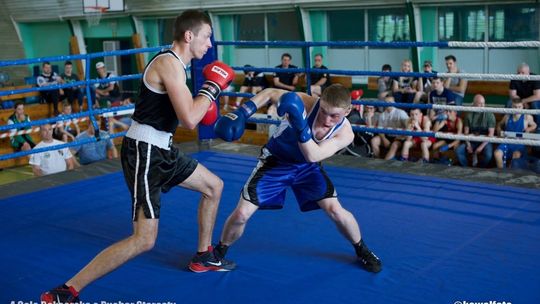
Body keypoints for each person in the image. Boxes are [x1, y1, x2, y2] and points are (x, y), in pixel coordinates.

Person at [41, 10, 236, 303]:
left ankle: (203, 255)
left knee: (214, 186)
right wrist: (213, 87)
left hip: (162, 148)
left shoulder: (177, 66)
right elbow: (191, 119)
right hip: (144, 151)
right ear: (189, 35)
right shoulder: (168, 65)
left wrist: (208, 92)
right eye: (207, 36)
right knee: (144, 239)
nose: (210, 44)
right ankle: (66, 291)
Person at [214, 84, 382, 273]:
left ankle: (362, 249)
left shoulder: (345, 133)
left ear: (348, 111)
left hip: (307, 167)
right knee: (241, 214)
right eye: (324, 111)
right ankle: (218, 252)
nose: (327, 119)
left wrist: (301, 125)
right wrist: (244, 112)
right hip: (276, 162)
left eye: (334, 115)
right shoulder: (305, 102)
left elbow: (313, 156)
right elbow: (270, 92)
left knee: (335, 209)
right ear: (320, 101)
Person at [494, 98, 537, 168]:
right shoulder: (507, 116)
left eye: (519, 107)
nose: (517, 109)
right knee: (497, 153)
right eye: (515, 107)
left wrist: (529, 128)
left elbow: (535, 125)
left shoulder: (526, 117)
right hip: (507, 142)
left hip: (519, 143)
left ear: (522, 107)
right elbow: (499, 124)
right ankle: (501, 173)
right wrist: (499, 129)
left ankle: (511, 174)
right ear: (512, 106)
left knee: (516, 156)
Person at [455, 94, 495, 167]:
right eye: (480, 103)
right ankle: (466, 168)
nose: (482, 105)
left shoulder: (489, 114)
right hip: (472, 140)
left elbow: (491, 134)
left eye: (483, 103)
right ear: (474, 104)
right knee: (458, 151)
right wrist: (468, 144)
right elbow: (466, 132)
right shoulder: (469, 114)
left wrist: (481, 146)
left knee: (488, 155)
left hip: (485, 141)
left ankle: (480, 169)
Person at [508, 62, 540, 132]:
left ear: (528, 72)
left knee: (535, 104)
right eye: (518, 72)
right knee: (509, 103)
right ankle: (507, 126)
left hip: (532, 100)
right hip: (519, 100)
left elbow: (538, 96)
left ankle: (538, 127)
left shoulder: (535, 78)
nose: (520, 75)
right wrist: (521, 102)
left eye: (523, 73)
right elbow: (512, 95)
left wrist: (523, 101)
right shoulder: (514, 78)